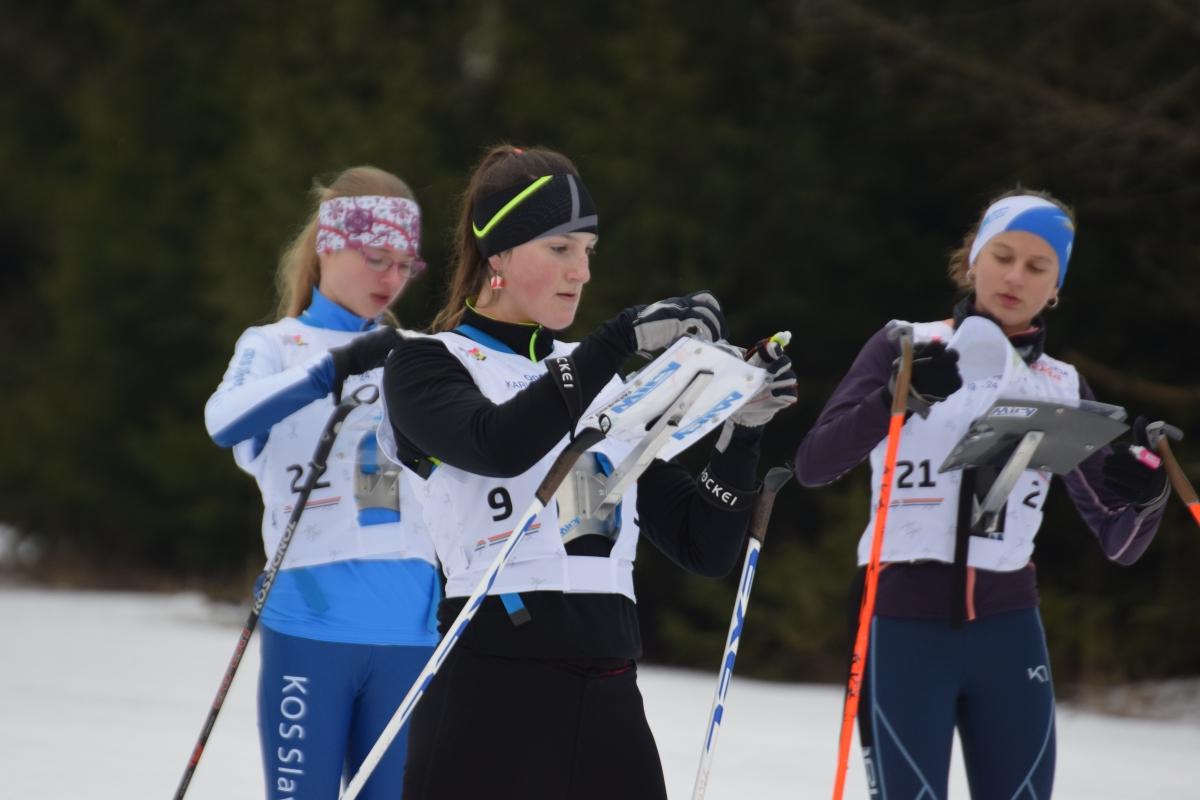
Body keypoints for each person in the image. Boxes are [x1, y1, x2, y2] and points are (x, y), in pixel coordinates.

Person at [379, 144, 797, 800]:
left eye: (589, 251)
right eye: (560, 249)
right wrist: (618, 340)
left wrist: (740, 433)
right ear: (499, 257)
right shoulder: (427, 365)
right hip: (492, 692)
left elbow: (703, 543)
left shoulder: (600, 387)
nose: (581, 272)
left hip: (607, 699)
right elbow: (497, 445)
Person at [794, 189, 1173, 799]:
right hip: (901, 620)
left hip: (1008, 627)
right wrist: (900, 395)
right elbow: (815, 464)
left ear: (1055, 288)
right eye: (1003, 256)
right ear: (973, 259)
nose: (1015, 276)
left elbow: (1119, 538)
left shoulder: (1061, 384)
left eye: (1037, 266)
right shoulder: (905, 344)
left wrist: (1147, 493)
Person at [204, 166, 439, 800]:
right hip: (311, 622)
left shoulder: (417, 350)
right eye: (376, 259)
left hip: (410, 628)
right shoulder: (277, 346)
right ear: (329, 246)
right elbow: (223, 421)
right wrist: (327, 370)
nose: (390, 279)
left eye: (404, 266)